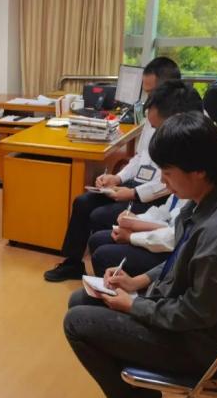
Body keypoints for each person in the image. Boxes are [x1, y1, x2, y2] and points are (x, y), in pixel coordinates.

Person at [63, 112, 217, 398]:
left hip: (200, 347)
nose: (165, 183)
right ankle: (136, 396)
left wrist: (134, 305)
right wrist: (136, 282)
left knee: (76, 323)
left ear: (199, 171)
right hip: (190, 324)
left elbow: (192, 315)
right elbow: (181, 260)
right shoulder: (208, 202)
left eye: (168, 174)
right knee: (81, 300)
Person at [88, 80, 217, 277]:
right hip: (178, 238)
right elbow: (173, 212)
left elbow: (181, 237)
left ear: (178, 121)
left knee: (104, 253)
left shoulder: (211, 160)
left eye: (158, 128)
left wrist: (134, 236)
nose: (156, 134)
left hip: (191, 251)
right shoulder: (192, 146)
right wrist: (138, 221)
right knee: (100, 239)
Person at [44, 57, 181, 282]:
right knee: (83, 202)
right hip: (137, 185)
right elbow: (140, 157)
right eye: (146, 93)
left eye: (151, 92)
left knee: (99, 215)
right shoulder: (154, 114)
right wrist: (117, 178)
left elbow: (172, 182)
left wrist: (134, 193)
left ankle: (110, 270)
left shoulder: (178, 124)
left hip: (153, 194)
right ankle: (72, 263)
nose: (148, 99)